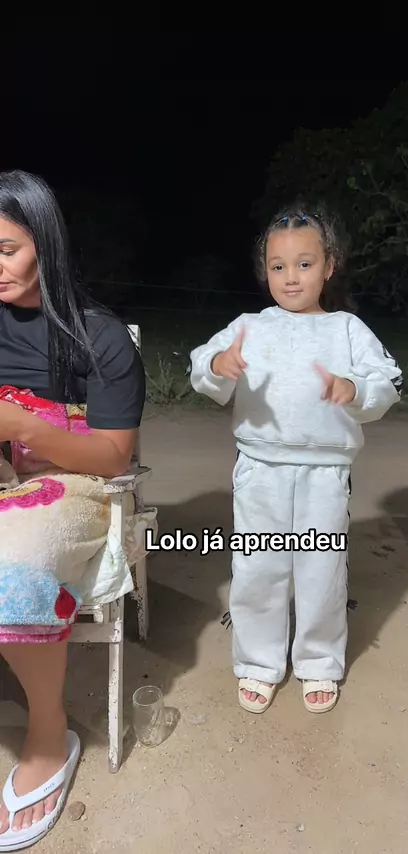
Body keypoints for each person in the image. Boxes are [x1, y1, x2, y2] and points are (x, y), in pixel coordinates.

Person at [189, 201, 403, 716]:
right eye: (278, 266)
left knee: (320, 569)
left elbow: (387, 379)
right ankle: (259, 661)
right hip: (259, 469)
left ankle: (319, 660)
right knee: (257, 567)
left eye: (304, 264)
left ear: (329, 266)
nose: (290, 277)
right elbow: (200, 366)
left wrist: (354, 388)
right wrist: (219, 364)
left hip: (325, 473)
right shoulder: (250, 325)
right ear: (264, 271)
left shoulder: (347, 329)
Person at [0, 170, 145, 849]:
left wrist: (23, 426)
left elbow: (113, 458)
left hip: (72, 481)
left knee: (14, 565)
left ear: (46, 245)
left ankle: (48, 731)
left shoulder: (99, 336)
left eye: (6, 250)